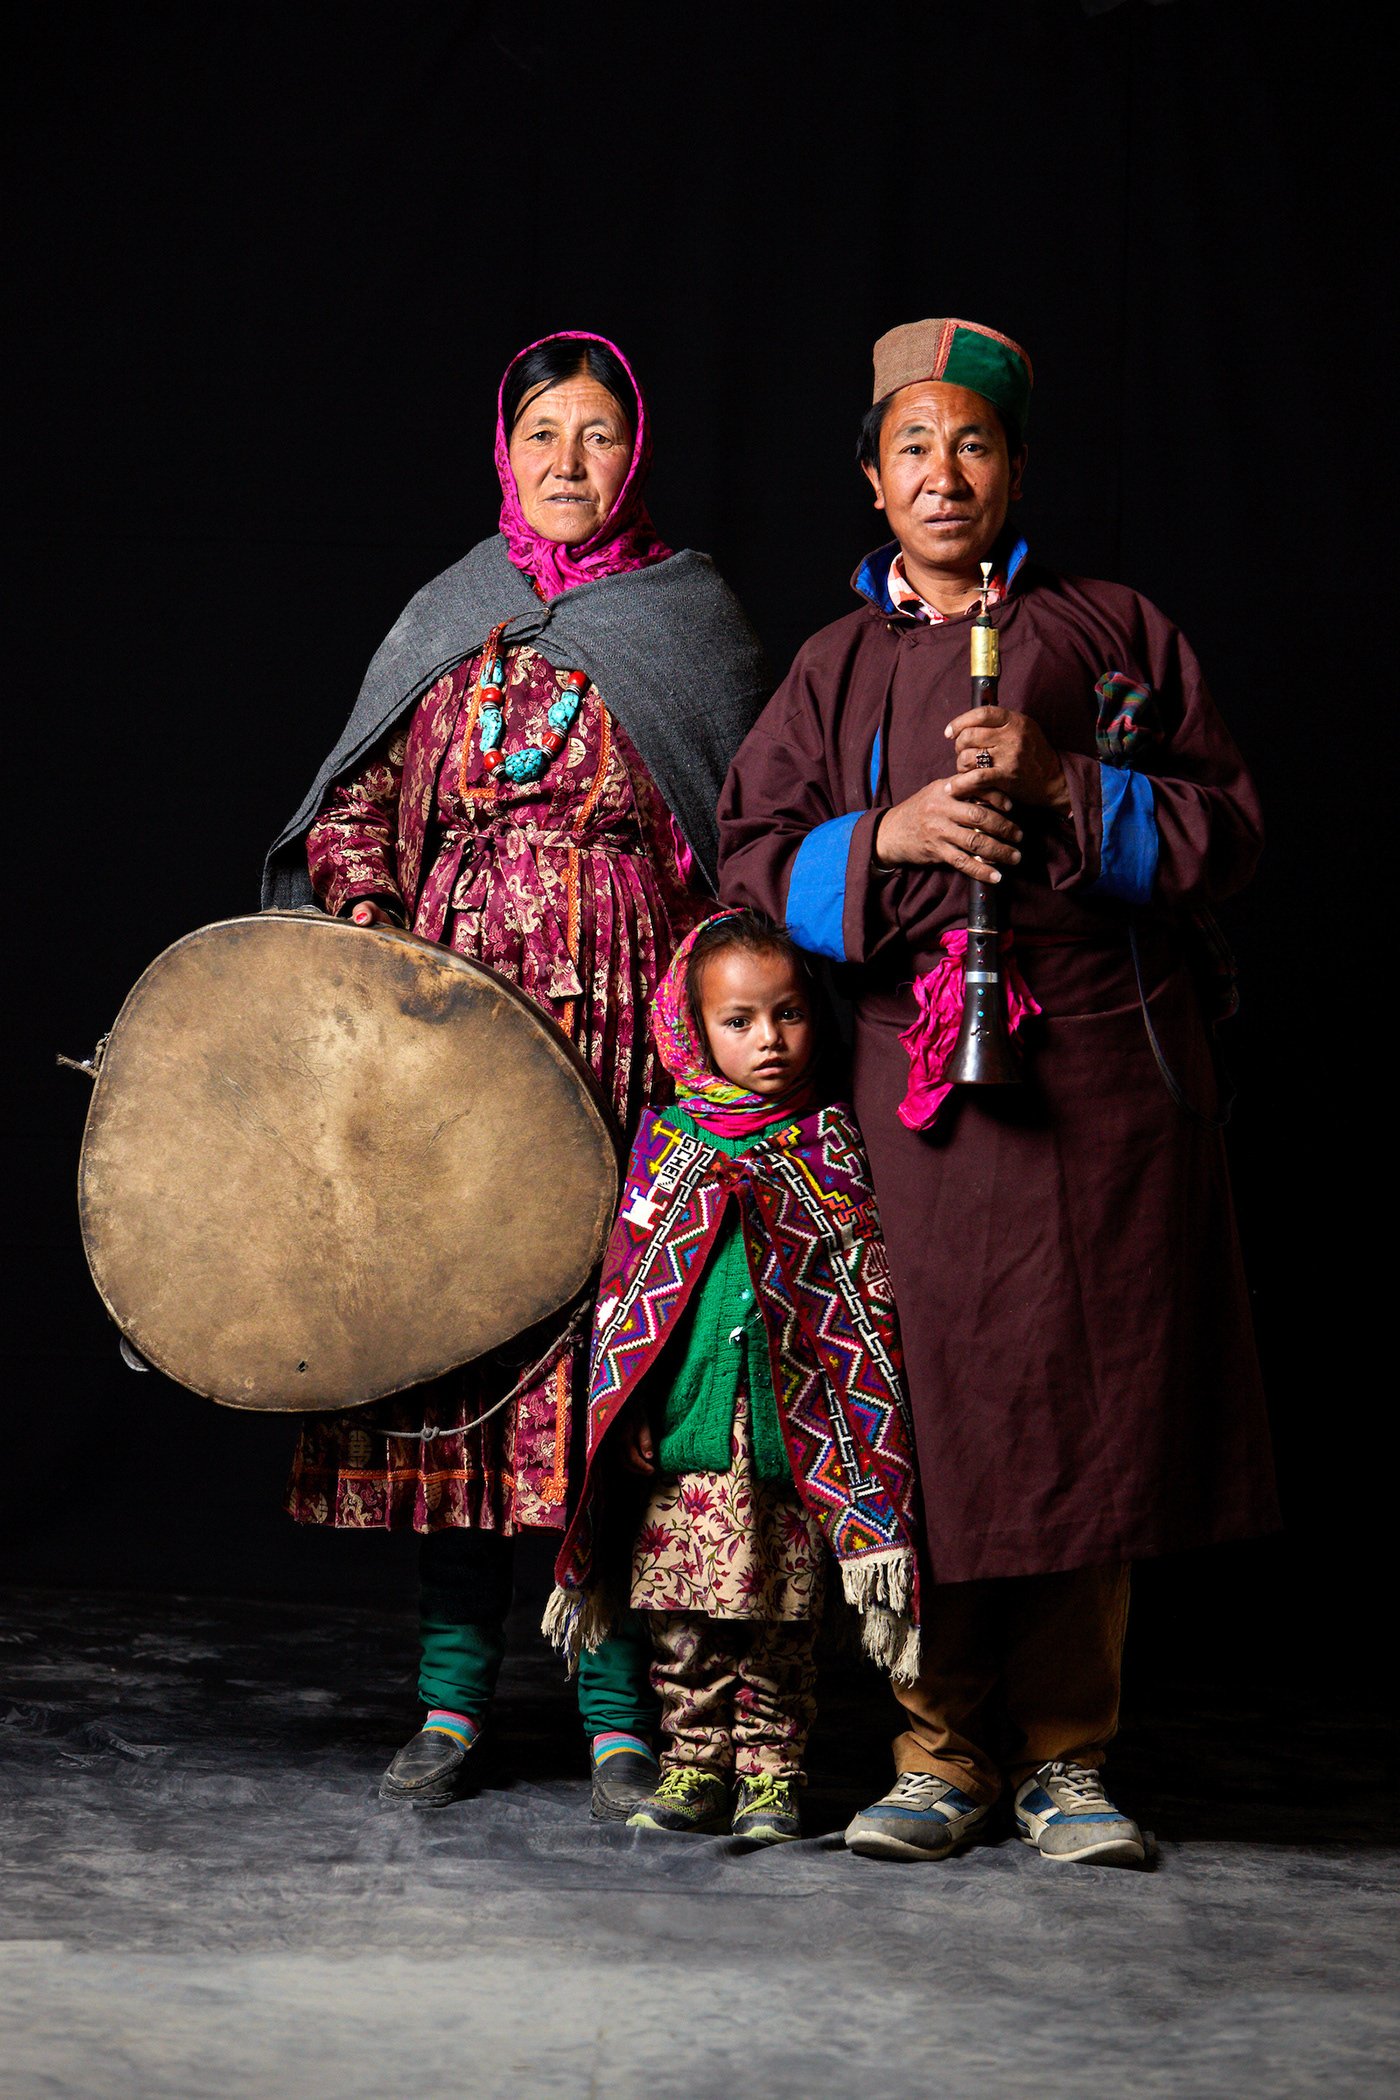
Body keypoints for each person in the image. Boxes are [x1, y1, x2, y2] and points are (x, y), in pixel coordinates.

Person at [718, 316, 1278, 1866]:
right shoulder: (833, 668)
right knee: (935, 1419)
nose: (943, 472)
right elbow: (749, 858)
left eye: (972, 442)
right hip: (921, 1103)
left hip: (1099, 1089)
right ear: (872, 480)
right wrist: (884, 843)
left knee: (1085, 1419)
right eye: (913, 445)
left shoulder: (1115, 626)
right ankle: (934, 1750)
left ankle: (1070, 1758)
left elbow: (1228, 831)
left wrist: (1063, 791)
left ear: (1015, 466)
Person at [261, 332, 771, 1819]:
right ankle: (452, 1695)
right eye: (543, 432)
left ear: (638, 454)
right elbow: (351, 803)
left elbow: (739, 845)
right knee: (463, 1355)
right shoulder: (450, 612)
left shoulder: (692, 623)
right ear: (507, 450)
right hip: (450, 1046)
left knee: (605, 1362)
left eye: (598, 435)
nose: (567, 463)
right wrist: (366, 931)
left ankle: (618, 1713)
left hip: (624, 1045)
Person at [544, 907, 922, 1845]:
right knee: (684, 1619)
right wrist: (636, 1403)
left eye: (789, 1014)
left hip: (794, 1446)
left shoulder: (833, 1143)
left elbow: (859, 1304)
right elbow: (634, 1304)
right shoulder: (673, 1146)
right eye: (740, 1022)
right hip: (691, 1440)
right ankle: (691, 1767)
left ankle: (771, 1778)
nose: (770, 1041)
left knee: (782, 1624)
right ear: (695, 1027)